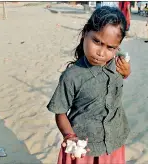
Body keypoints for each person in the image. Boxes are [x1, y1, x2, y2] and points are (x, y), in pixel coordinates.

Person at [47, 6, 131, 164]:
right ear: (85, 33)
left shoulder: (118, 61)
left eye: (110, 47)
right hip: (83, 148)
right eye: (97, 41)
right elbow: (60, 112)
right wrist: (69, 136)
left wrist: (127, 72)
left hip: (114, 141)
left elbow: (123, 76)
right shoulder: (72, 76)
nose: (101, 52)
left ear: (117, 47)